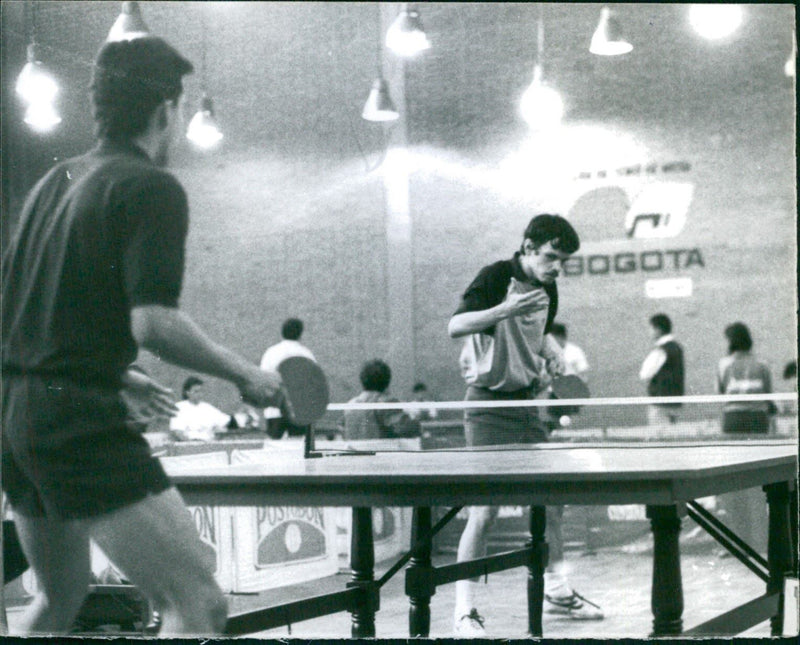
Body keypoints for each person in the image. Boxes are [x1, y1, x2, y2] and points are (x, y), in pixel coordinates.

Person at [1, 37, 284, 637]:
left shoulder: (55, 181)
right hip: (73, 422)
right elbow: (153, 323)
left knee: (62, 594)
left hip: (14, 415)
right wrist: (246, 373)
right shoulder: (150, 185)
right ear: (166, 110)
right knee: (198, 602)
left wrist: (111, 370)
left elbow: (18, 316)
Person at [448, 214, 602, 637]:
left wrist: (551, 353)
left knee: (550, 502)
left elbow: (541, 330)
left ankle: (557, 589)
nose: (557, 267)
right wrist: (503, 309)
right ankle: (463, 610)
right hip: (486, 408)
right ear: (529, 246)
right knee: (486, 510)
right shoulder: (498, 276)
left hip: (526, 407)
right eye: (552, 256)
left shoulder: (549, 287)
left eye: (564, 260)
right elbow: (455, 325)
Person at [260, 317, 315, 439]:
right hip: (298, 411)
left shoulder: (271, 353)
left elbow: (263, 380)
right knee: (298, 450)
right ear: (301, 333)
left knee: (273, 450)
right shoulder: (306, 354)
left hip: (274, 411)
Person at [717, 322, 773, 434]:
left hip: (733, 418)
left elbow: (720, 393)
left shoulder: (723, 364)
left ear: (730, 342)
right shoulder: (763, 364)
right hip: (758, 417)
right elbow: (768, 393)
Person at [343, 359, 417, 440]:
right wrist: (409, 414)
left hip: (355, 452)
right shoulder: (387, 402)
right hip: (380, 451)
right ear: (387, 381)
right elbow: (411, 430)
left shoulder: (350, 405)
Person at [639, 313, 684, 426]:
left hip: (660, 402)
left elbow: (645, 374)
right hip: (675, 401)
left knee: (659, 437)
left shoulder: (661, 350)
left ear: (658, 330)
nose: (649, 332)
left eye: (650, 328)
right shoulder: (677, 348)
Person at [169, 376, 234, 442]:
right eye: (196, 391)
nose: (199, 394)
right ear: (187, 392)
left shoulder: (208, 408)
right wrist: (192, 445)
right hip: (189, 445)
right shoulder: (179, 407)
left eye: (201, 391)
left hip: (209, 444)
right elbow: (177, 432)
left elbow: (227, 422)